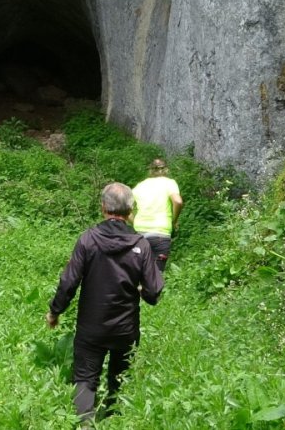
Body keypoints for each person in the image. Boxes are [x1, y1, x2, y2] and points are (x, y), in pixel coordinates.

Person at [47, 182, 164, 423]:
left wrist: (55, 311)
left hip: (92, 328)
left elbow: (69, 281)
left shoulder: (88, 240)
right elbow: (153, 293)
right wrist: (141, 289)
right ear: (130, 211)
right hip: (125, 328)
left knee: (85, 378)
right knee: (119, 378)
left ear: (103, 208)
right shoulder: (141, 245)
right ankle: (112, 419)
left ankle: (85, 425)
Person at [132, 158, 183, 271]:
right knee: (155, 276)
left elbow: (126, 206)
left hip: (139, 235)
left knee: (138, 274)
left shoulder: (140, 185)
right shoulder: (169, 183)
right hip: (160, 234)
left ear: (150, 171)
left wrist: (134, 220)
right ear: (166, 170)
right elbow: (178, 201)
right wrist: (174, 221)